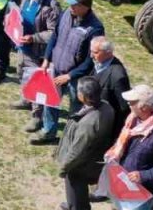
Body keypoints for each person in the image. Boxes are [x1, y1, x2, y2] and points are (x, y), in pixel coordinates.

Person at [33, 0, 106, 145]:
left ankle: (70, 137)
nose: (70, 7)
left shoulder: (95, 29)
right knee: (50, 101)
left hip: (75, 78)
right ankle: (48, 131)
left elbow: (90, 60)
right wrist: (46, 58)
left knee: (76, 109)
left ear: (84, 7)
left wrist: (69, 76)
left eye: (74, 5)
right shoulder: (66, 13)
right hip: (57, 68)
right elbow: (55, 36)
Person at [101, 85, 153, 202]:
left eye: (132, 102)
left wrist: (143, 175)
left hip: (142, 188)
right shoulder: (132, 119)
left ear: (143, 107)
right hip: (123, 178)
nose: (128, 103)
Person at [9, 0, 61, 134]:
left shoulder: (52, 6)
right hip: (22, 46)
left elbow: (53, 33)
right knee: (21, 73)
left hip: (37, 50)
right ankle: (26, 99)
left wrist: (34, 37)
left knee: (37, 83)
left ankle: (37, 116)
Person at [55, 76, 115, 210]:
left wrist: (64, 168)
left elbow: (77, 151)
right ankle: (73, 204)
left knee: (76, 190)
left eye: (78, 91)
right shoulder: (106, 106)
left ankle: (75, 205)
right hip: (94, 157)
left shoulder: (88, 124)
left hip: (80, 166)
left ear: (84, 96)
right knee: (77, 192)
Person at [89, 37, 131, 142]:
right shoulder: (99, 62)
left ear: (108, 53)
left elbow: (124, 108)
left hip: (106, 122)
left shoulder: (118, 76)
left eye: (95, 52)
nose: (91, 55)